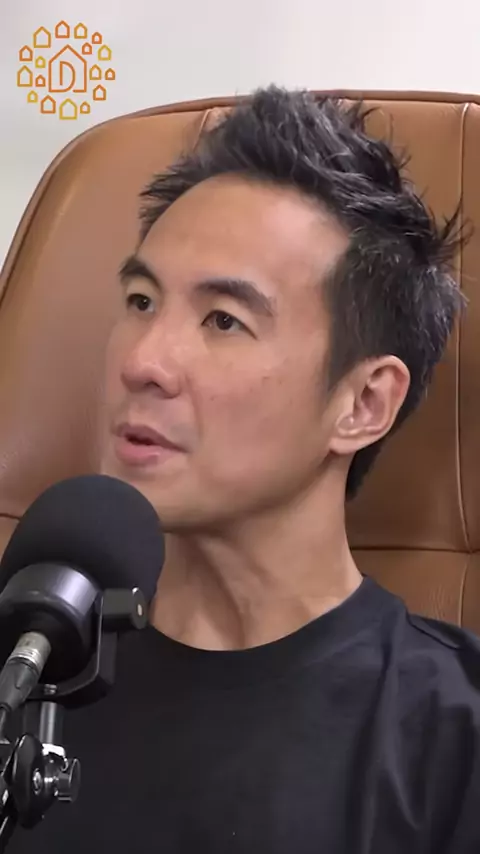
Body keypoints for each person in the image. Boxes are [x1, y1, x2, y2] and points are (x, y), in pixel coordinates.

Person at [7, 85, 479, 854]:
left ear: (362, 403)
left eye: (224, 320)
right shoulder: (23, 667)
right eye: (140, 300)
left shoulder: (455, 736)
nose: (143, 361)